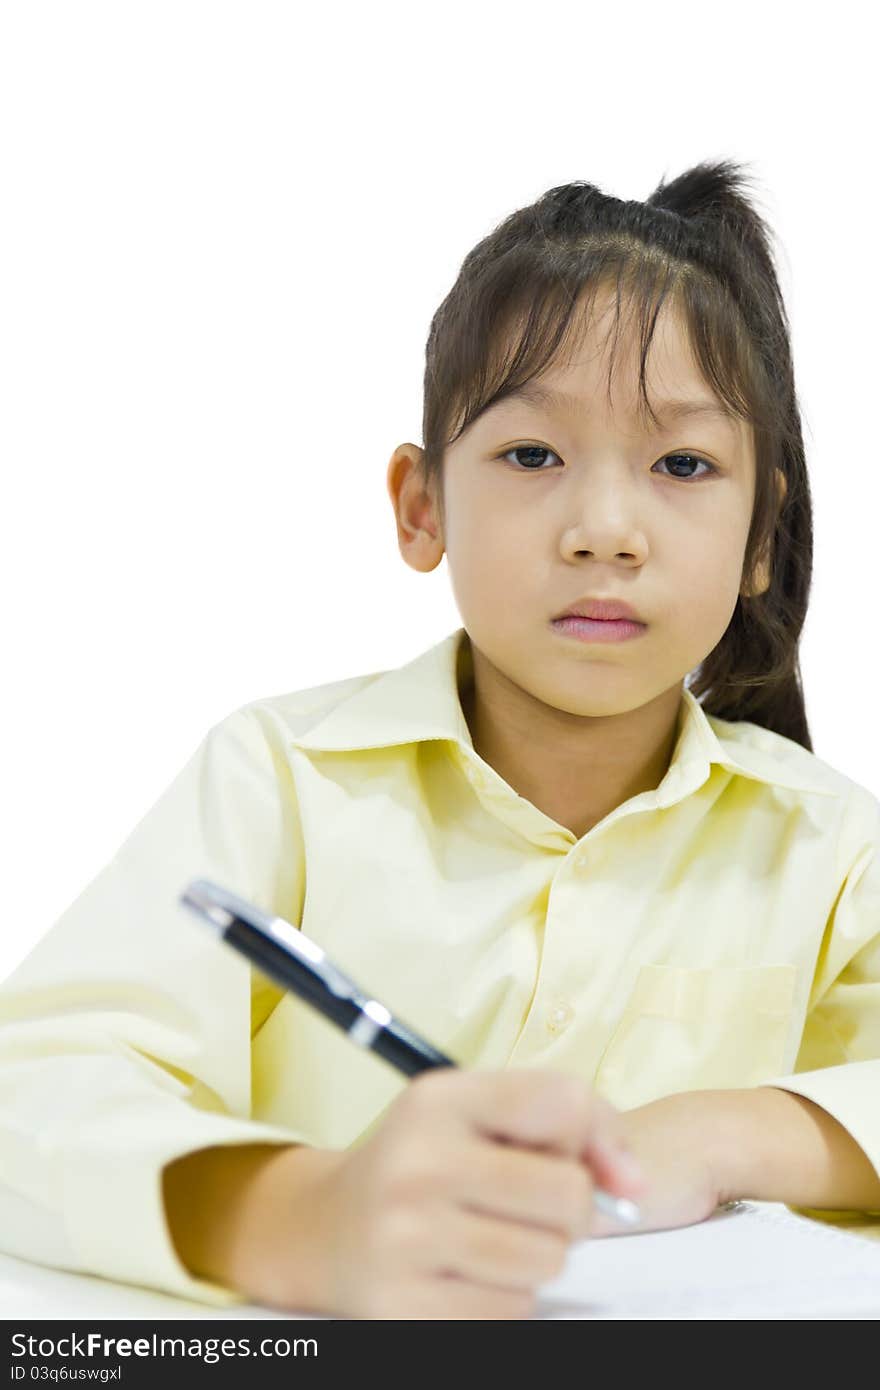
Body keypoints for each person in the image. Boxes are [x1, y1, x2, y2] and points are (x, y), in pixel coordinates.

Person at [2, 158, 880, 1322]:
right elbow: (38, 1091)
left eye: (682, 465)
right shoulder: (279, 777)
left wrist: (727, 1131)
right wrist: (301, 1217)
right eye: (531, 455)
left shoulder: (829, 843)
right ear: (422, 508)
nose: (605, 531)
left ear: (761, 531)